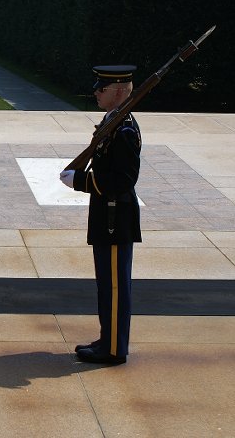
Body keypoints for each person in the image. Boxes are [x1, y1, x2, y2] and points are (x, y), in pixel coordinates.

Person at [59, 65, 142, 365]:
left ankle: (114, 349)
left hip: (115, 219)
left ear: (119, 91)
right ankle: (108, 339)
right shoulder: (113, 122)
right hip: (107, 216)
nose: (95, 91)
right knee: (107, 285)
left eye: (101, 88)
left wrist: (80, 182)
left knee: (116, 287)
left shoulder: (125, 131)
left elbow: (122, 181)